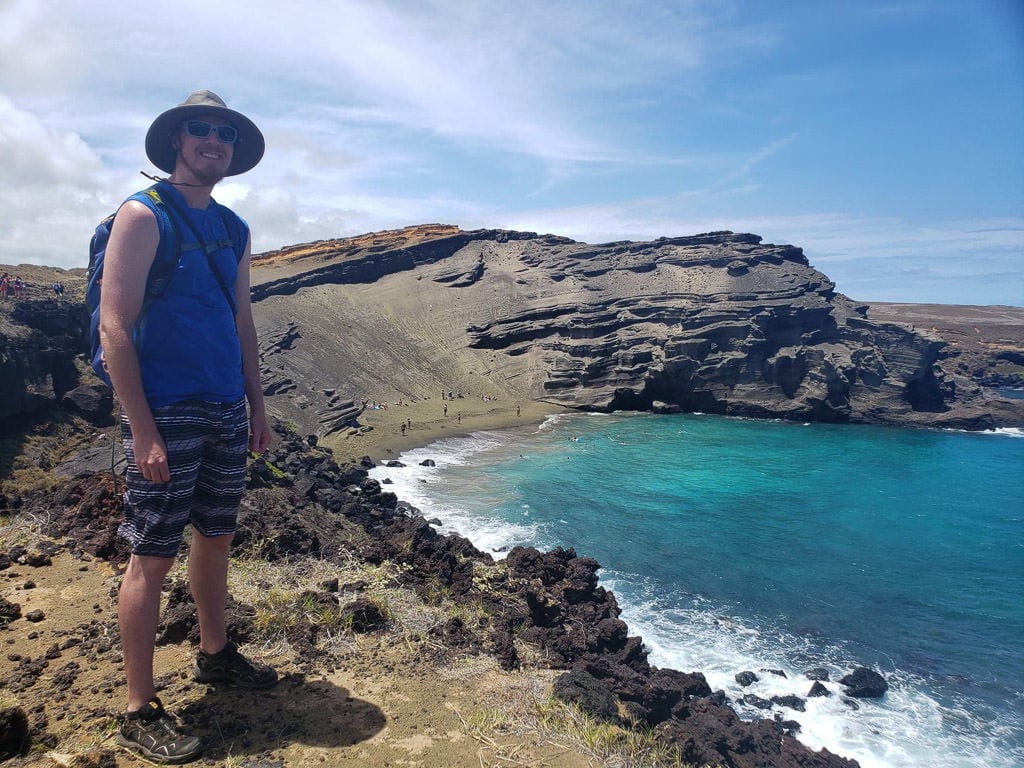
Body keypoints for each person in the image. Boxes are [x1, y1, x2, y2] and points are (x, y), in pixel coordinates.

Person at [99, 90, 275, 765]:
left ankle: (215, 653)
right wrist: (142, 430)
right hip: (166, 410)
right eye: (200, 130)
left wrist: (257, 406)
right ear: (177, 140)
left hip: (226, 407)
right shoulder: (143, 216)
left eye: (224, 134)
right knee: (152, 555)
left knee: (217, 537)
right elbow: (114, 328)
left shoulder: (233, 228)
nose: (213, 141)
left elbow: (241, 323)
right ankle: (138, 709)